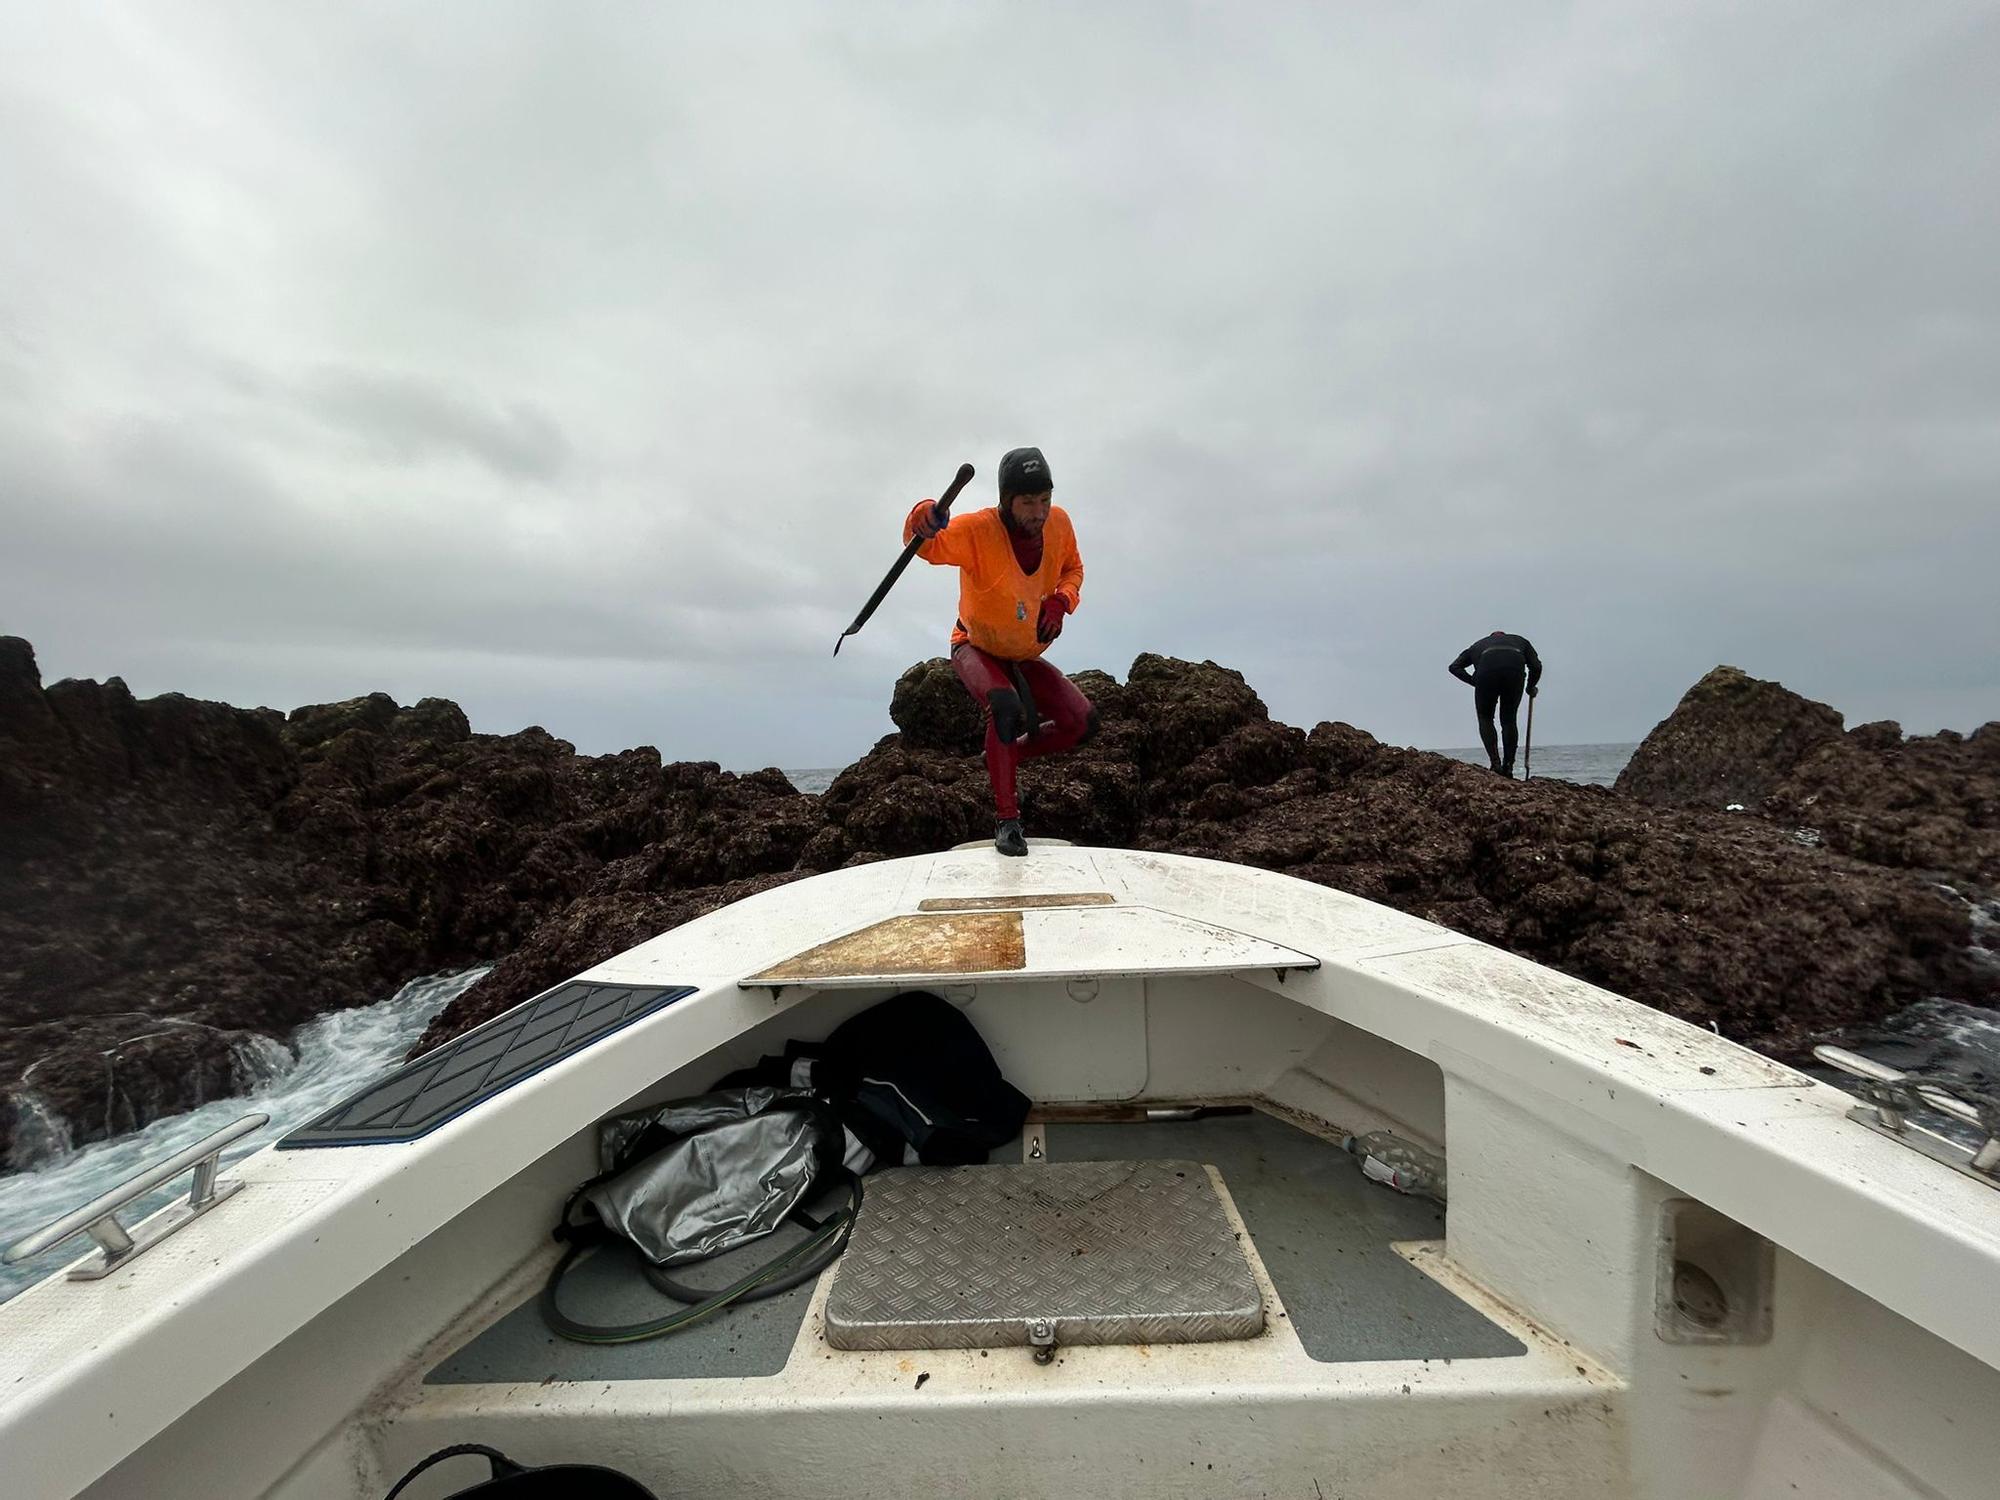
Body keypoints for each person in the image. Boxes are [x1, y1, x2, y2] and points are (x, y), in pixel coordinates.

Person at [906, 446, 1094, 856]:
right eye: (1028, 502)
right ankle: (1008, 822)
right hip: (975, 645)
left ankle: (1003, 755)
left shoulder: (1059, 524)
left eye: (1045, 500)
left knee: (1082, 722)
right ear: (1007, 501)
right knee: (1005, 710)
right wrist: (923, 514)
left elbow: (1073, 569)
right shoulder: (978, 531)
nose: (1039, 511)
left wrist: (1062, 601)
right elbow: (927, 546)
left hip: (1025, 652)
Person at [1448, 630, 1543, 777]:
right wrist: (1530, 687)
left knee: (1485, 717)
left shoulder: (1477, 645)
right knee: (1509, 720)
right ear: (1504, 636)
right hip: (1514, 674)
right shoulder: (1520, 641)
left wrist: (1473, 681)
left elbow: (1454, 667)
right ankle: (1509, 766)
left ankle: (1495, 763)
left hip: (1485, 675)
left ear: (1490, 637)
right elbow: (1536, 666)